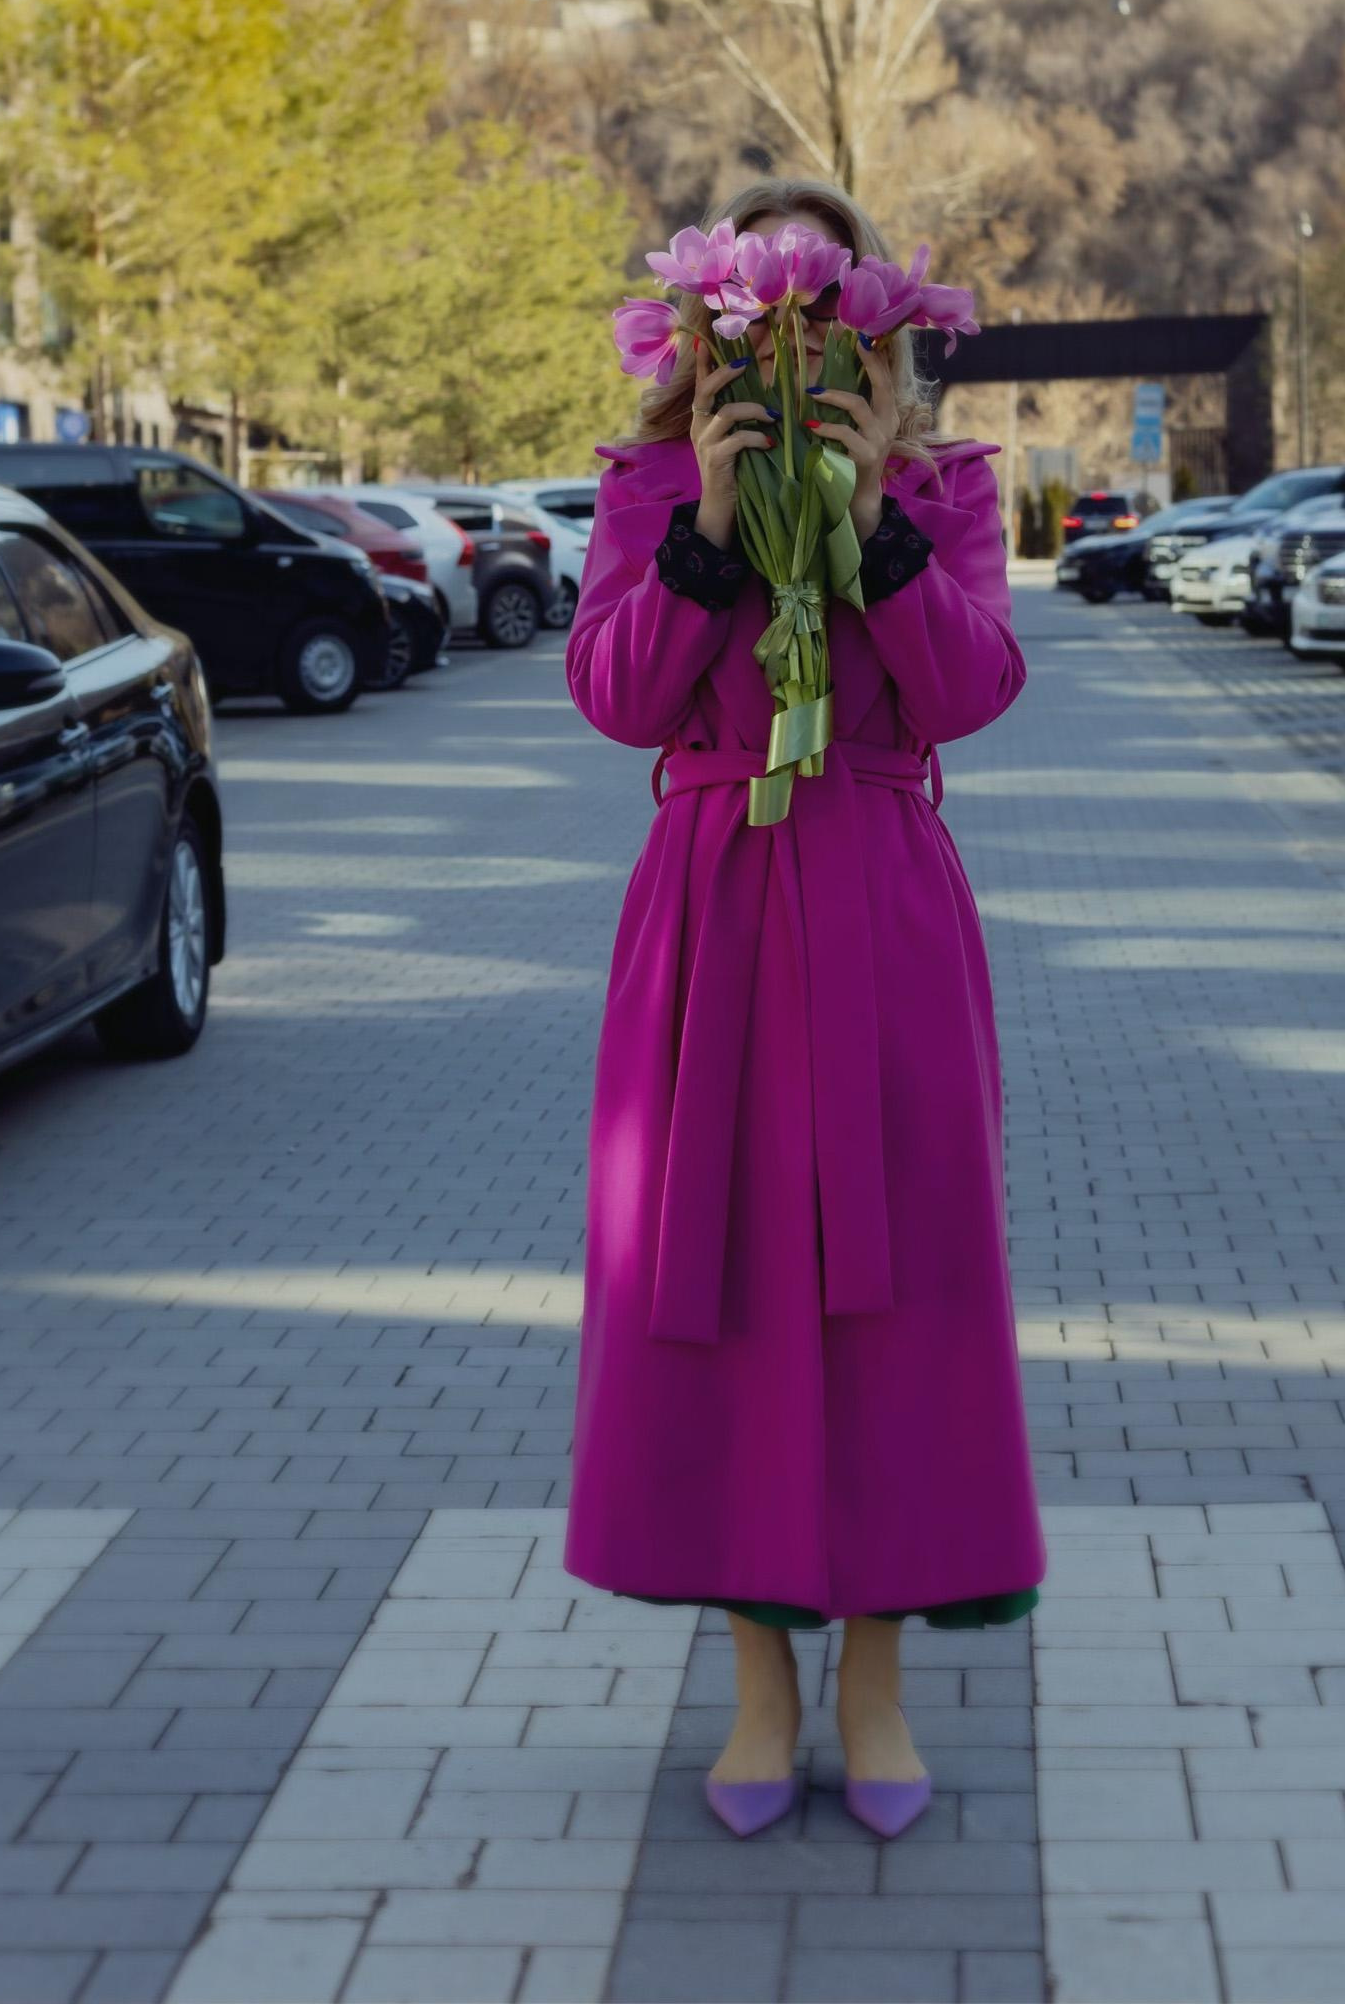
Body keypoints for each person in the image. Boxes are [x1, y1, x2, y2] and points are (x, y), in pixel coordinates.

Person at [564, 173, 1043, 1841]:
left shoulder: (948, 489)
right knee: (735, 1286)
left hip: (886, 901)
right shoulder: (644, 486)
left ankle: (878, 1687)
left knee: (896, 1295)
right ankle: (762, 1697)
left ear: (871, 333)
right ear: (703, 337)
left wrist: (864, 513)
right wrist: (711, 517)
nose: (783, 349)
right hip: (708, 917)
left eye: (820, 321)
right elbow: (620, 700)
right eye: (751, 325)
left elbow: (971, 688)